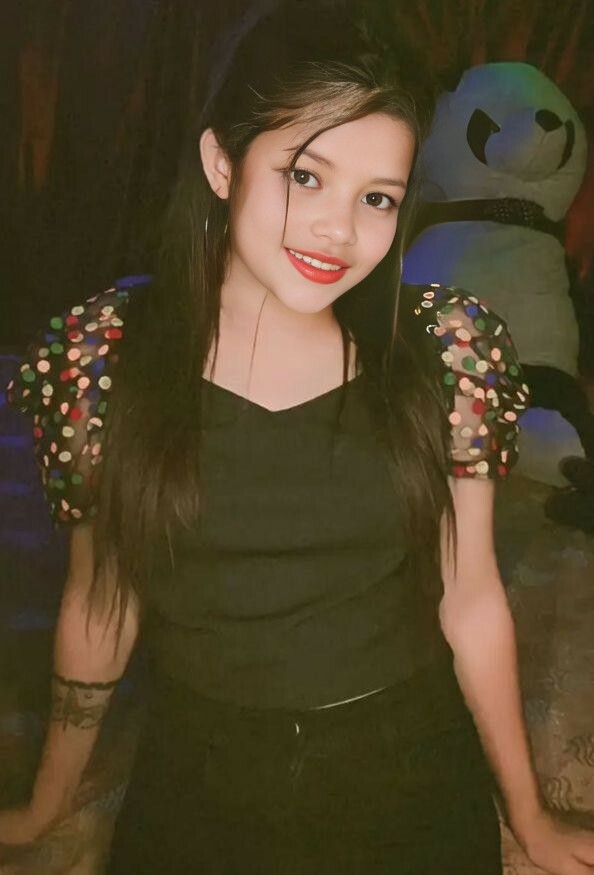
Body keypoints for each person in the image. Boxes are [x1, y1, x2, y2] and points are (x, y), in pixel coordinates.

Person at [3, 2, 594, 872]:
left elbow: (470, 597)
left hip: (410, 778)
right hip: (200, 783)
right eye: (306, 176)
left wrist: (529, 816)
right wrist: (46, 803)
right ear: (222, 162)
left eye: (377, 197)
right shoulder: (107, 357)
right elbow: (102, 599)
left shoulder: (444, 349)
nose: (338, 230)